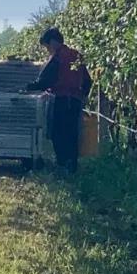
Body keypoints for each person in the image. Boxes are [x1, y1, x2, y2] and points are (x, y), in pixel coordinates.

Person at [28, 27, 92, 173]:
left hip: (60, 100)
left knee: (58, 133)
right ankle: (72, 166)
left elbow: (45, 81)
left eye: (47, 47)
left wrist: (29, 87)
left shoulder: (57, 58)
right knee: (72, 133)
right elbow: (88, 81)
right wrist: (83, 96)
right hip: (75, 101)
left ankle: (62, 164)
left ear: (52, 42)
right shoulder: (76, 55)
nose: (48, 50)